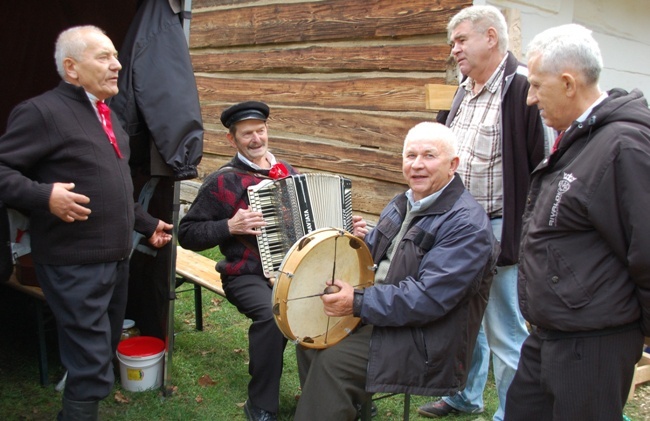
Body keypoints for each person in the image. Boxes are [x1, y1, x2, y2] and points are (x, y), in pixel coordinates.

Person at [0, 26, 173, 420]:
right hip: (72, 260)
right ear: (71, 68)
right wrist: (45, 196)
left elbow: (112, 190)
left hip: (114, 258)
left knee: (102, 347)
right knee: (91, 363)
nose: (117, 65)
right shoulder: (42, 112)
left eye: (115, 56)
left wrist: (146, 223)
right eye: (104, 57)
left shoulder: (108, 116)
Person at [293, 122, 499, 421]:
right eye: (410, 155)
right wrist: (357, 241)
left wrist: (358, 302)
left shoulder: (467, 224)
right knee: (312, 337)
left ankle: (333, 402)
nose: (417, 165)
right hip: (380, 312)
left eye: (429, 156)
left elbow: (429, 298)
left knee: (334, 362)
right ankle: (342, 406)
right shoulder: (404, 201)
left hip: (424, 337)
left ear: (453, 164)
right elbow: (374, 256)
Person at [504, 23, 650, 420]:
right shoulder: (577, 138)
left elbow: (646, 248)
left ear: (568, 83)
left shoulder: (623, 145)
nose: (531, 99)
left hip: (594, 343)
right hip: (550, 334)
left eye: (536, 86)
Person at [417, 6, 552, 420]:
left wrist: (526, 234)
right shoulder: (464, 88)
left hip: (500, 229)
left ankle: (512, 413)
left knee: (504, 329)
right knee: (465, 320)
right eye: (452, 42)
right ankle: (465, 396)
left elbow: (543, 168)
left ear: (490, 37)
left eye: (461, 40)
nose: (454, 49)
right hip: (458, 228)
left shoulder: (523, 88)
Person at [178, 101, 298, 421]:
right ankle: (260, 404)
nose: (256, 139)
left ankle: (331, 395)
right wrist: (229, 226)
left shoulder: (287, 172)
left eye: (261, 131)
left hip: (290, 270)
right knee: (273, 315)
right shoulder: (223, 181)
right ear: (232, 140)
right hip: (244, 273)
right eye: (247, 134)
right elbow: (186, 234)